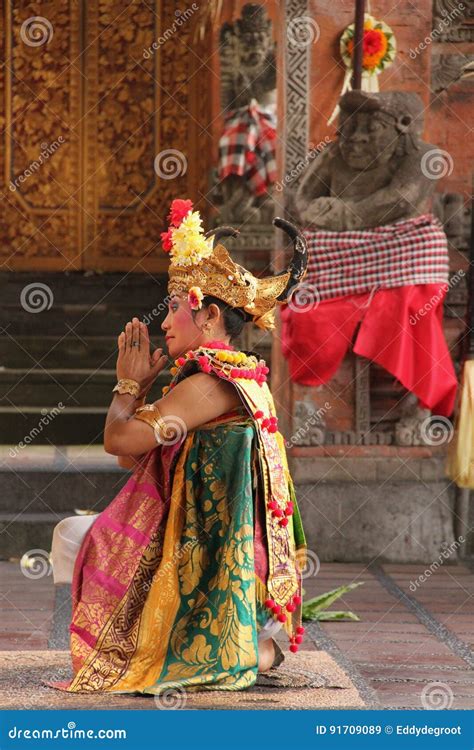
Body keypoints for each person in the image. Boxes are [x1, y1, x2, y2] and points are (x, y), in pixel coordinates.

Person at [46, 198, 308, 696]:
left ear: (209, 315)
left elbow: (117, 441)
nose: (163, 324)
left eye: (173, 309)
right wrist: (142, 393)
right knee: (75, 534)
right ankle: (254, 642)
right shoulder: (231, 375)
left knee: (75, 536)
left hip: (207, 559)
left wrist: (126, 385)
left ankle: (235, 645)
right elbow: (132, 456)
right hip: (224, 555)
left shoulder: (210, 383)